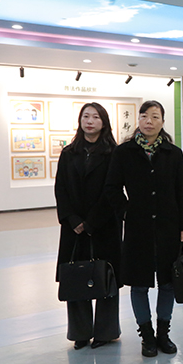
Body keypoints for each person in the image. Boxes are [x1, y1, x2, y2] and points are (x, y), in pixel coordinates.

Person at [105, 100, 183, 358]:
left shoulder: (173, 153)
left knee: (167, 282)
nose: (149, 121)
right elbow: (112, 188)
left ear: (163, 121)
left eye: (155, 116)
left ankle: (163, 333)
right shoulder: (124, 152)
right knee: (139, 284)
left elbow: (182, 190)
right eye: (144, 116)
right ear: (138, 120)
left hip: (169, 226)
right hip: (138, 227)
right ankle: (147, 336)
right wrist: (126, 212)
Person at [55, 102, 121, 350]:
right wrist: (72, 219)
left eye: (95, 117)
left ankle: (106, 331)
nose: (90, 121)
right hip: (73, 227)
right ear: (80, 121)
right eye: (86, 116)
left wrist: (92, 221)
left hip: (104, 225)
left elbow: (112, 190)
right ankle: (80, 332)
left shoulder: (114, 153)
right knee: (75, 276)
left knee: (106, 277)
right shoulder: (68, 153)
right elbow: (60, 188)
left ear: (104, 122)